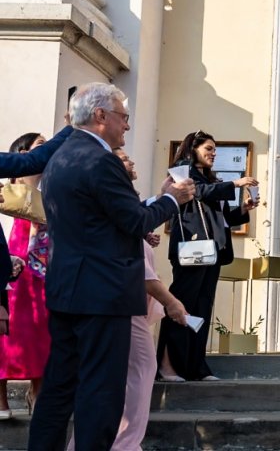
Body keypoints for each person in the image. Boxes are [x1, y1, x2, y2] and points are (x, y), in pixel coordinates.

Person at [27, 83, 194, 451]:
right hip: (103, 297)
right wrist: (172, 198)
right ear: (100, 116)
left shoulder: (60, 157)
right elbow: (135, 222)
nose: (128, 126)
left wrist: (158, 197)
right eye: (124, 117)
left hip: (67, 291)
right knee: (101, 396)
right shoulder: (101, 160)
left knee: (58, 390)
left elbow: (103, 220)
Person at [66, 148, 189, 451]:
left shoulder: (117, 198)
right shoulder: (108, 196)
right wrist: (172, 302)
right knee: (140, 372)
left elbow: (136, 219)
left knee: (119, 379)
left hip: (120, 303)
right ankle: (124, 444)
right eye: (123, 158)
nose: (132, 160)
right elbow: (141, 270)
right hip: (122, 303)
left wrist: (160, 200)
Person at [157, 130, 257, 382]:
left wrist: (242, 209)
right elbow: (199, 192)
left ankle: (196, 368)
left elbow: (221, 219)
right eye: (208, 149)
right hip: (191, 250)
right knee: (181, 307)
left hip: (210, 252)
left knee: (201, 308)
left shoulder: (209, 178)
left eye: (215, 150)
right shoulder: (182, 172)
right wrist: (235, 183)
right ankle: (168, 366)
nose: (214, 154)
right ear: (193, 149)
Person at [0, 122, 71, 347]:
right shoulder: (23, 181)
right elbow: (30, 163)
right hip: (23, 254)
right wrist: (73, 128)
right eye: (42, 144)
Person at [0, 133, 55, 419]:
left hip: (47, 260)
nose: (47, 148)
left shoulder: (54, 179)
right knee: (12, 327)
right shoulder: (18, 180)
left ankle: (37, 391)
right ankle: (1, 398)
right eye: (40, 145)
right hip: (20, 256)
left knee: (42, 327)